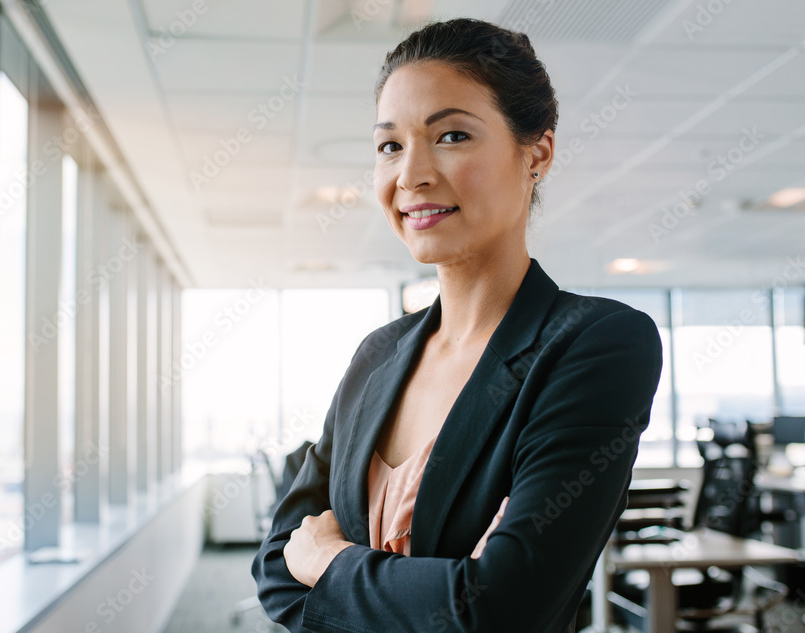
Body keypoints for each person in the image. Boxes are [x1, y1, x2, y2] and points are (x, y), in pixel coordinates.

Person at [252, 17, 663, 633]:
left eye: (450, 135)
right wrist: (435, 593)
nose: (411, 174)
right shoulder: (378, 355)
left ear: (537, 153)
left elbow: (499, 609)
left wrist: (332, 562)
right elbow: (277, 570)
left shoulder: (595, 344)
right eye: (390, 145)